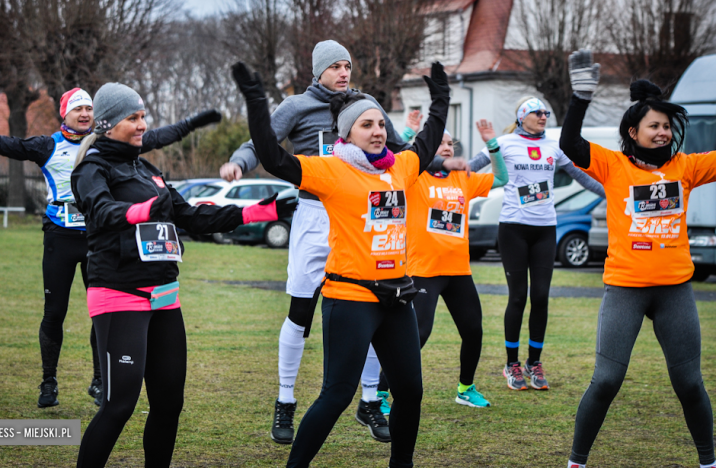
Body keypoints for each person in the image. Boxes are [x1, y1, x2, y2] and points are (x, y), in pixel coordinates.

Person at [232, 60, 463, 468]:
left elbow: (427, 140)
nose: (376, 132)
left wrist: (440, 96)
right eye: (365, 125)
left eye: (379, 123)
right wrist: (255, 100)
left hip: (397, 299)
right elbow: (272, 156)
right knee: (337, 394)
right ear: (347, 133)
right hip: (350, 299)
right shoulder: (331, 171)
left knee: (411, 391)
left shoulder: (402, 167)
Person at [0, 88, 220, 408]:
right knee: (54, 314)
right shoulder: (48, 145)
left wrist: (196, 121)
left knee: (101, 313)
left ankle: (100, 381)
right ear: (64, 114)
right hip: (60, 237)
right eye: (77, 109)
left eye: (89, 108)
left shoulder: (108, 144)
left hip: (97, 239)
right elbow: (3, 144)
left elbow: (162, 135)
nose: (84, 113)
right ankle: (48, 382)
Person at [70, 82, 294, 468]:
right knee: (119, 405)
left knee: (170, 403)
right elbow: (101, 211)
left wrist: (262, 212)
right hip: (120, 295)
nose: (142, 125)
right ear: (107, 124)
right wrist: (144, 211)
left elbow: (191, 215)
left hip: (165, 297)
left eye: (143, 117)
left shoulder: (146, 168)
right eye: (133, 118)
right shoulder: (93, 168)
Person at [560, 50, 716, 468]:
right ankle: (577, 462)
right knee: (607, 379)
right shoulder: (612, 166)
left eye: (667, 126)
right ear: (634, 131)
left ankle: (709, 462)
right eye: (654, 126)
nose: (663, 132)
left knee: (689, 382)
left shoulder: (686, 167)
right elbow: (570, 144)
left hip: (675, 292)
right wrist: (580, 98)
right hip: (625, 289)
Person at [469, 94, 605, 392]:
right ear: (521, 118)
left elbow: (582, 178)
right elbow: (470, 167)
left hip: (545, 229)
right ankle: (511, 363)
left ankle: (534, 362)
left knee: (541, 296)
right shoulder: (504, 144)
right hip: (514, 229)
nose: (544, 116)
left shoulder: (553, 146)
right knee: (518, 297)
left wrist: (615, 192)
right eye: (537, 113)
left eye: (545, 112)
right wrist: (438, 174)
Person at [375, 122, 507, 412]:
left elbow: (501, 179)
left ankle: (465, 388)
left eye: (451, 144)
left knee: (473, 330)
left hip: (459, 270)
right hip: (424, 270)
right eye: (441, 143)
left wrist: (492, 145)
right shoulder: (415, 178)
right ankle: (381, 392)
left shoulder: (462, 177)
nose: (448, 147)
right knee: (418, 335)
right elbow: (393, 161)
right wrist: (408, 135)